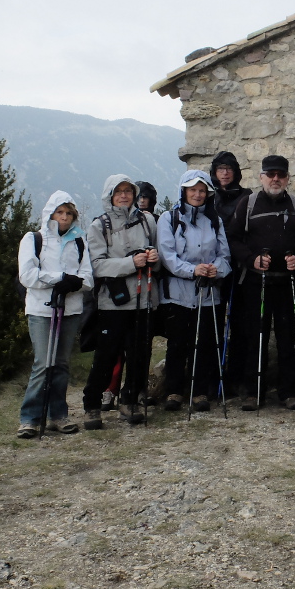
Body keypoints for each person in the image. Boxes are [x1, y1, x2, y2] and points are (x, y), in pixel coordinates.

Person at [226, 155, 295, 410]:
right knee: (256, 336)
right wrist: (251, 259)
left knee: (288, 336)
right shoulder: (248, 204)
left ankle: (288, 392)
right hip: (256, 282)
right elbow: (233, 239)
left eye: (281, 175)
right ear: (261, 176)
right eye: (271, 174)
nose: (276, 179)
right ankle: (254, 392)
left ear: (287, 178)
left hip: (287, 282)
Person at [80, 176, 161, 429]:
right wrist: (130, 263)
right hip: (113, 302)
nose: (124, 196)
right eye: (119, 192)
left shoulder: (147, 221)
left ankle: (130, 400)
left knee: (139, 354)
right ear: (110, 195)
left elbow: (157, 262)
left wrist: (154, 258)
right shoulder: (99, 226)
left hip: (144, 298)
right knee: (106, 355)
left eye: (128, 191)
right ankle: (92, 405)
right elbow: (96, 265)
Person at [16, 191, 93, 438]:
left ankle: (58, 415)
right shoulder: (34, 239)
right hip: (41, 309)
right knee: (43, 363)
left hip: (70, 309)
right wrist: (59, 279)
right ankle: (29, 418)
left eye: (69, 213)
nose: (64, 217)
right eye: (60, 212)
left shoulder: (80, 240)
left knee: (60, 364)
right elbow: (27, 275)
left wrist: (74, 284)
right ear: (50, 213)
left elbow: (88, 277)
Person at [156, 170, 232, 412]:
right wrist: (193, 270)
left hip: (208, 293)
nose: (198, 195)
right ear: (184, 191)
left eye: (202, 191)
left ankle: (199, 392)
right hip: (177, 294)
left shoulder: (214, 220)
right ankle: (174, 391)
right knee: (178, 343)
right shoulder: (169, 219)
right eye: (193, 190)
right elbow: (167, 256)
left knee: (206, 342)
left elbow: (225, 256)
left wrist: (215, 270)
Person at [210, 151, 252, 399]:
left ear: (235, 172)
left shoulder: (247, 198)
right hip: (214, 267)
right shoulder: (207, 198)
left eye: (229, 168)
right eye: (220, 169)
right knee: (213, 323)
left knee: (240, 325)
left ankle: (237, 377)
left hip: (241, 268)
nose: (224, 173)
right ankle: (212, 378)